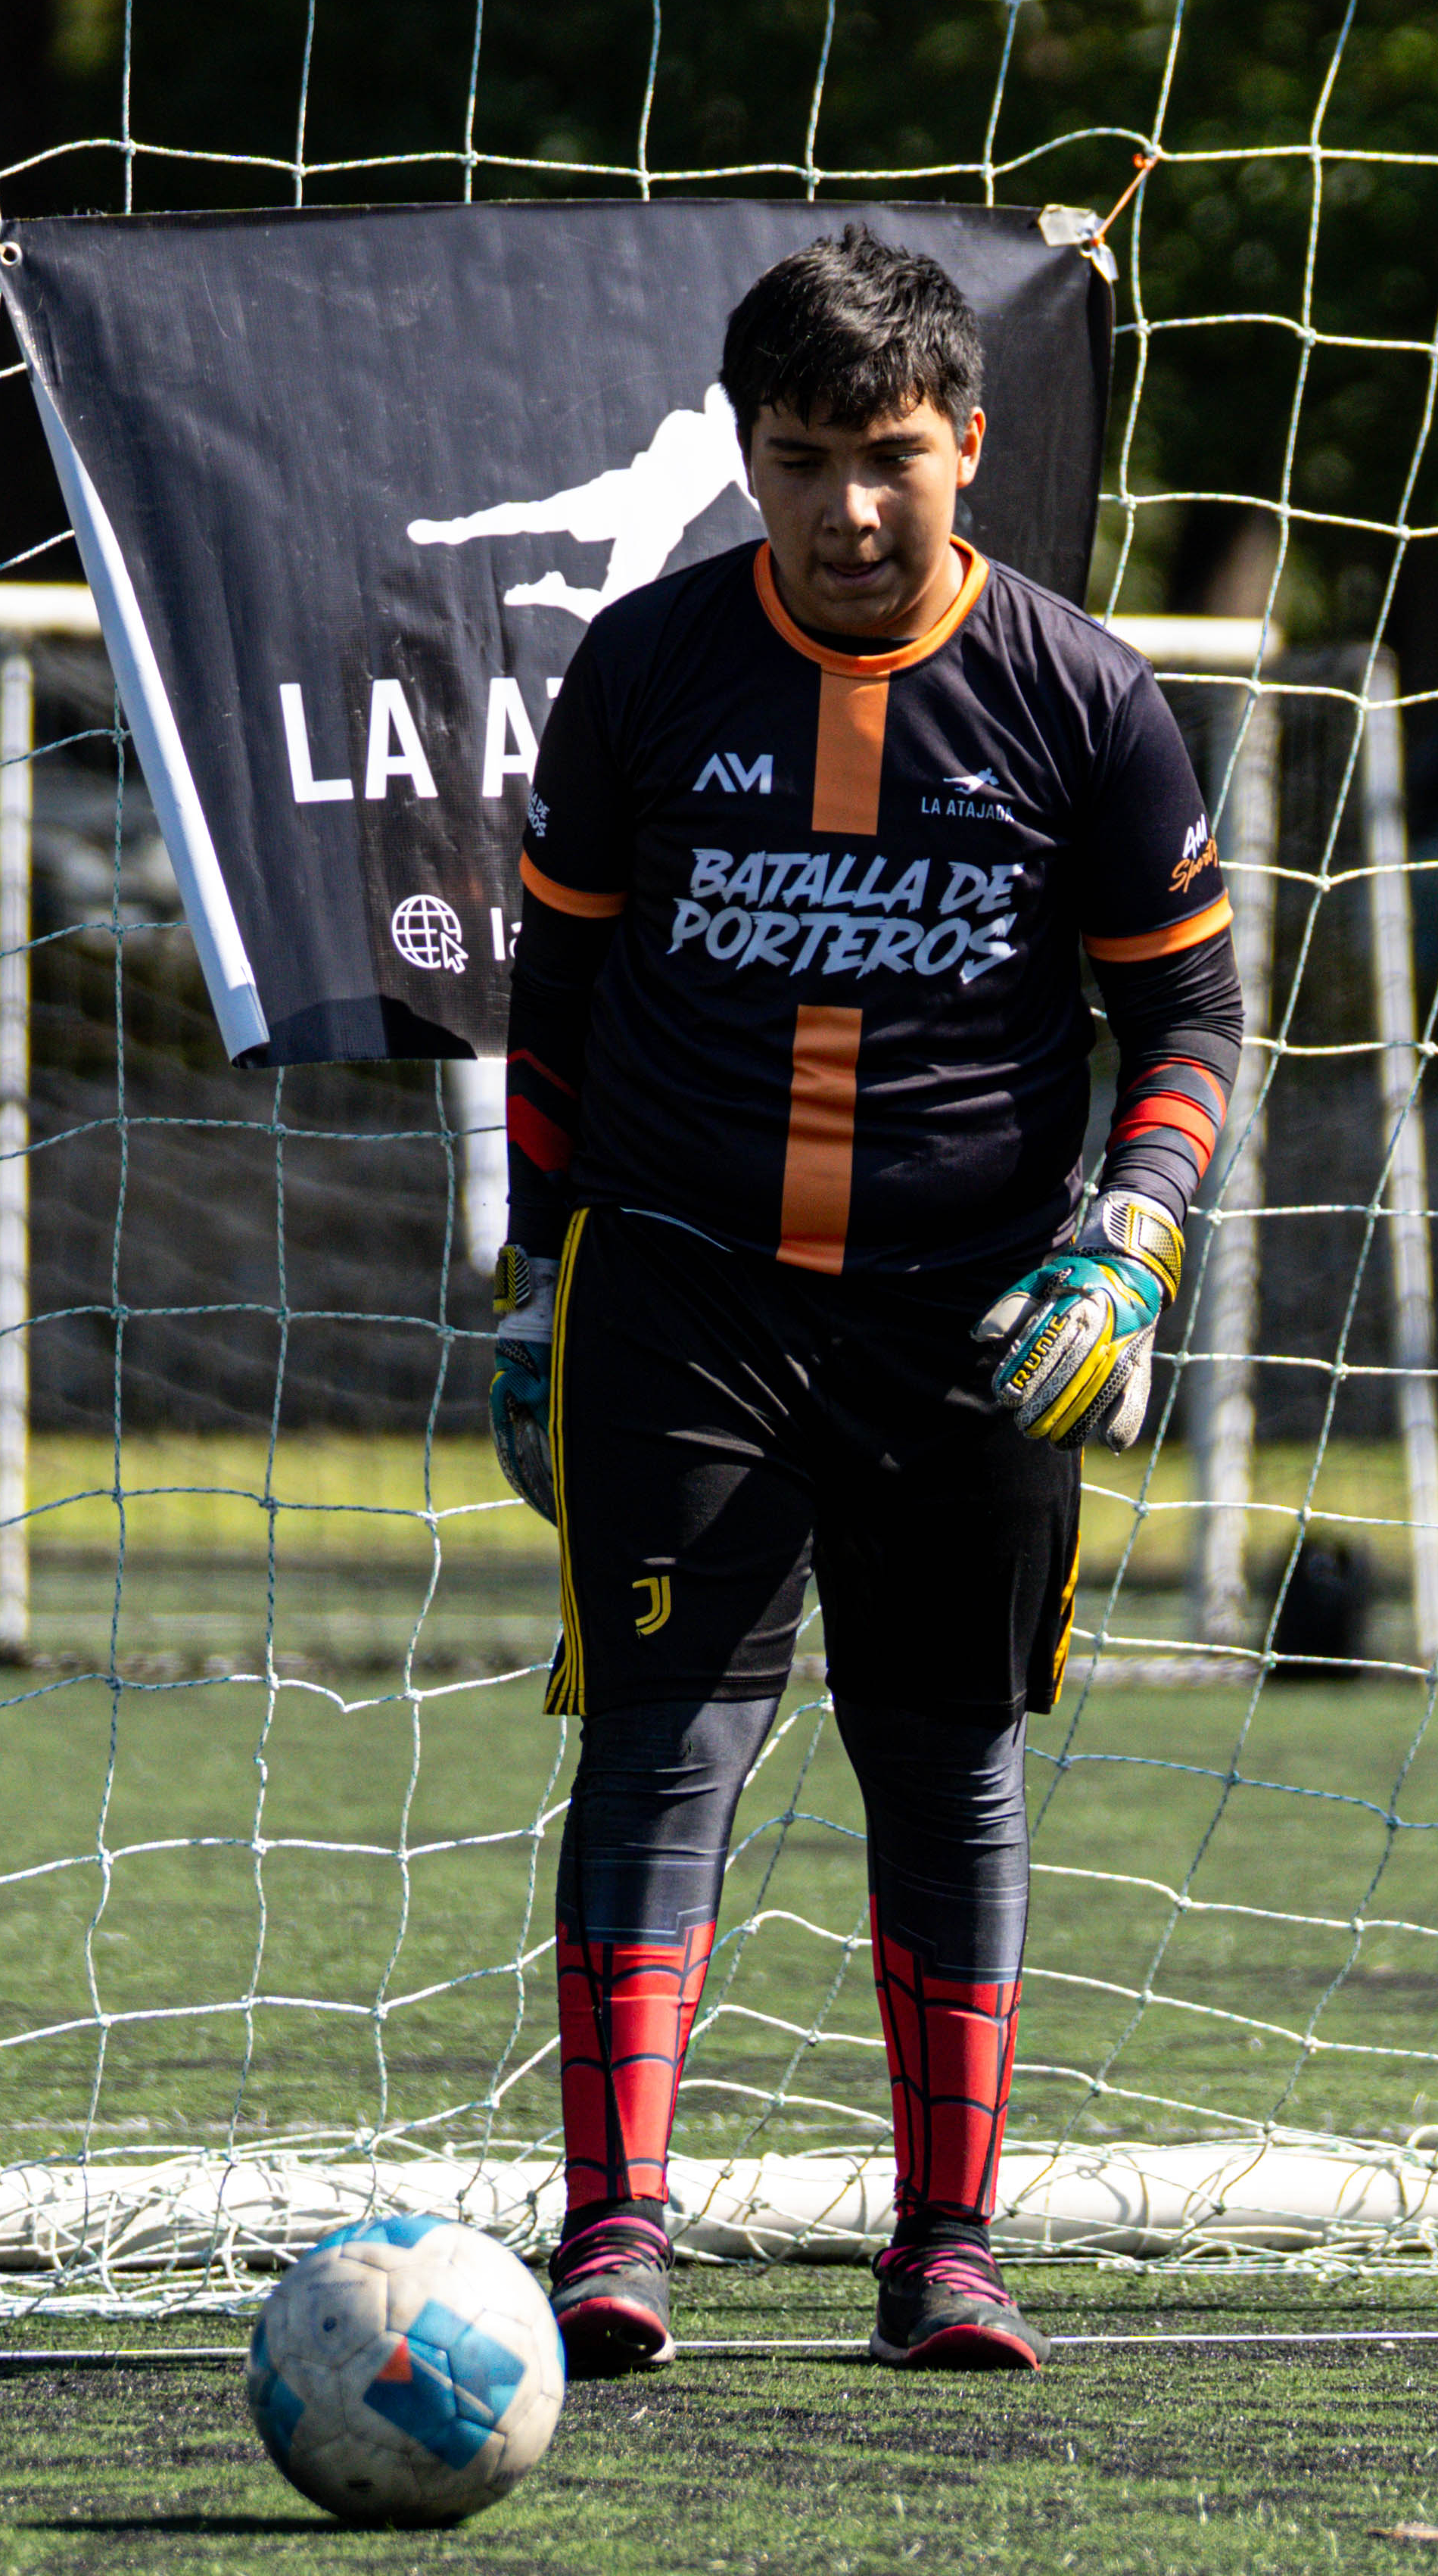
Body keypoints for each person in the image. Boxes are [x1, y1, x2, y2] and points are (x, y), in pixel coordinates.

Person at [482, 228, 1243, 2375]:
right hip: (686, 1299)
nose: (846, 506)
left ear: (969, 447)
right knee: (659, 1753)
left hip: (978, 1321)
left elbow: (1188, 1015)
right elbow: (559, 996)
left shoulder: (1088, 698)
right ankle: (613, 2238)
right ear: (745, 453)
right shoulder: (641, 672)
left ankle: (951, 2246)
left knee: (952, 1765)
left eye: (890, 455)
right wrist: (539, 1281)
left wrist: (1135, 1230)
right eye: (801, 456)